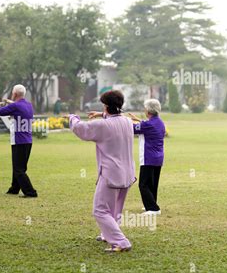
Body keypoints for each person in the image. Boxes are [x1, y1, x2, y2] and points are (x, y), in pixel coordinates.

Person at [70, 90, 136, 253]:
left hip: (111, 174)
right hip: (127, 172)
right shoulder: (127, 122)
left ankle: (121, 241)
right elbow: (114, 119)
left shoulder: (102, 125)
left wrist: (72, 117)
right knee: (115, 209)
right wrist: (101, 113)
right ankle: (108, 234)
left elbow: (80, 129)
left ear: (106, 106)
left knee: (100, 210)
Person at [0, 84, 38, 198]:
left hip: (19, 141)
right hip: (27, 141)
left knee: (19, 170)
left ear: (15, 94)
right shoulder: (28, 105)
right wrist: (11, 103)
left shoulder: (16, 106)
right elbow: (20, 109)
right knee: (18, 167)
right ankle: (14, 189)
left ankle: (31, 192)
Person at [127, 99, 165, 215]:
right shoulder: (159, 122)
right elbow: (146, 125)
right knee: (152, 184)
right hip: (158, 158)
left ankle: (153, 208)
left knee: (143, 184)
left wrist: (122, 120)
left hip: (148, 158)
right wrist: (137, 120)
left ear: (148, 110)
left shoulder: (147, 125)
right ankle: (152, 203)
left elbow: (131, 129)